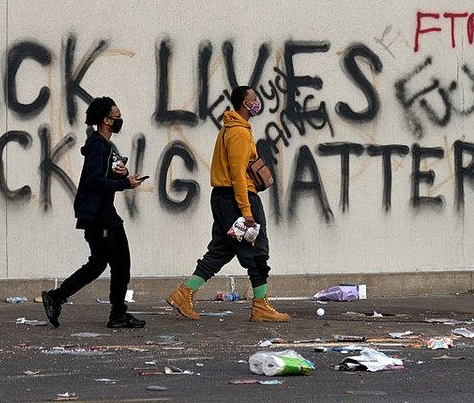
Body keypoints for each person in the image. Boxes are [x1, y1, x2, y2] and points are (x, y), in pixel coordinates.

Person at [165, 86, 290, 322]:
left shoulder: (231, 130)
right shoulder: (239, 134)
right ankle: (260, 306)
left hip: (224, 199)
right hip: (237, 199)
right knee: (257, 251)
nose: (257, 102)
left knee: (221, 250)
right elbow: (239, 175)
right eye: (254, 98)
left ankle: (184, 293)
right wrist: (247, 211)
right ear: (244, 102)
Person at [42, 96, 146, 329]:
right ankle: (56, 297)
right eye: (117, 117)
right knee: (98, 264)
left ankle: (118, 313)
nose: (120, 121)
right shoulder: (98, 146)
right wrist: (125, 184)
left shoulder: (103, 146)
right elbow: (93, 181)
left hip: (107, 214)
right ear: (106, 120)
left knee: (121, 263)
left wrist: (120, 174)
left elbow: (101, 176)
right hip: (99, 216)